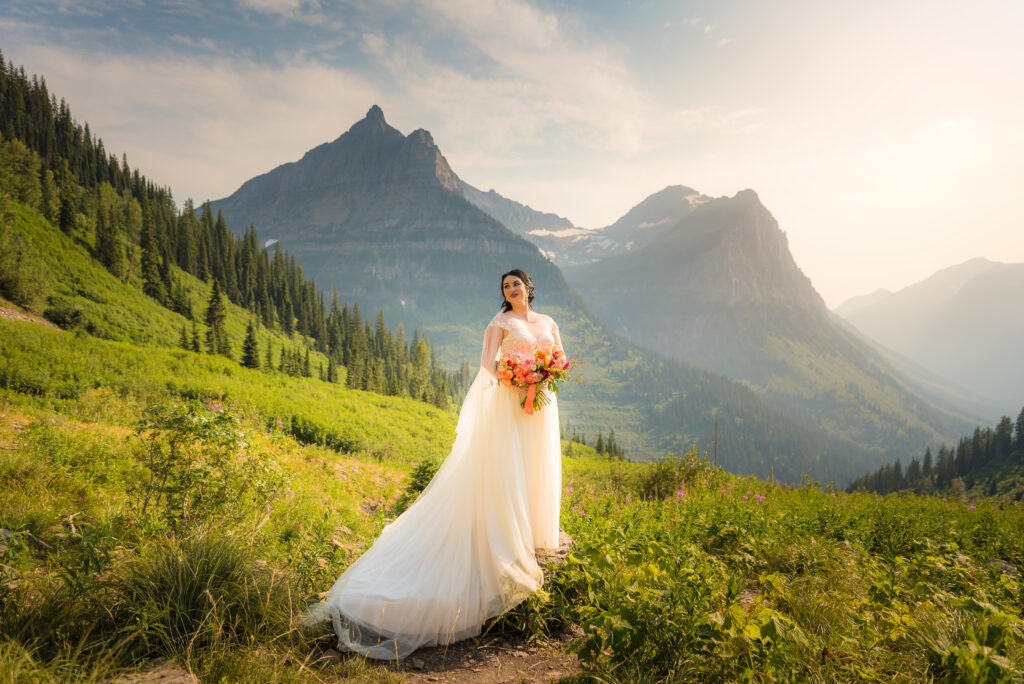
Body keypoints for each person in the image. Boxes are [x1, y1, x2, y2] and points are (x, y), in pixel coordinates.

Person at [308, 269, 565, 659]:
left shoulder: (547, 322)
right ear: (505, 294)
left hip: (541, 403)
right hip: (510, 402)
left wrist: (545, 375)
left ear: (529, 288)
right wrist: (518, 379)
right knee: (507, 467)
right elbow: (487, 364)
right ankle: (506, 532)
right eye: (505, 286)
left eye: (516, 284)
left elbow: (559, 357)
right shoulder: (500, 323)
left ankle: (533, 527)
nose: (511, 290)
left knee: (536, 464)